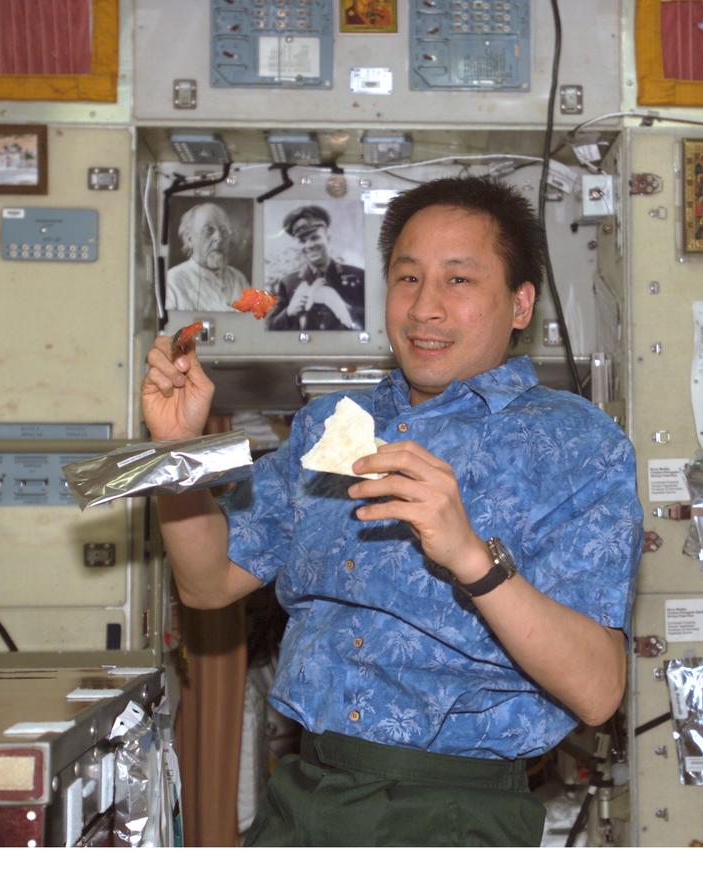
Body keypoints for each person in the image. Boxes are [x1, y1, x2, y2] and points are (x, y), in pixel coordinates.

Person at [142, 176, 642, 846]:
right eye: (407, 279)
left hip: (457, 813)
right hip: (301, 799)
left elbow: (598, 689)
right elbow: (208, 583)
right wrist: (179, 458)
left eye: (458, 281)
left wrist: (471, 557)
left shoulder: (577, 446)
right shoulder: (332, 425)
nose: (424, 308)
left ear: (520, 304)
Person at [267, 205, 366, 331]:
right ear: (297, 245)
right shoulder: (287, 283)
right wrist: (288, 312)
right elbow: (269, 327)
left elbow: (376, 320)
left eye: (315, 238)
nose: (309, 245)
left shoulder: (359, 276)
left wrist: (343, 307)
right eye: (302, 241)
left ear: (328, 237)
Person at [166, 202, 249, 311]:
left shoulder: (239, 280)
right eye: (208, 230)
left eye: (223, 231)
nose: (219, 238)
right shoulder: (172, 281)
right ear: (189, 239)